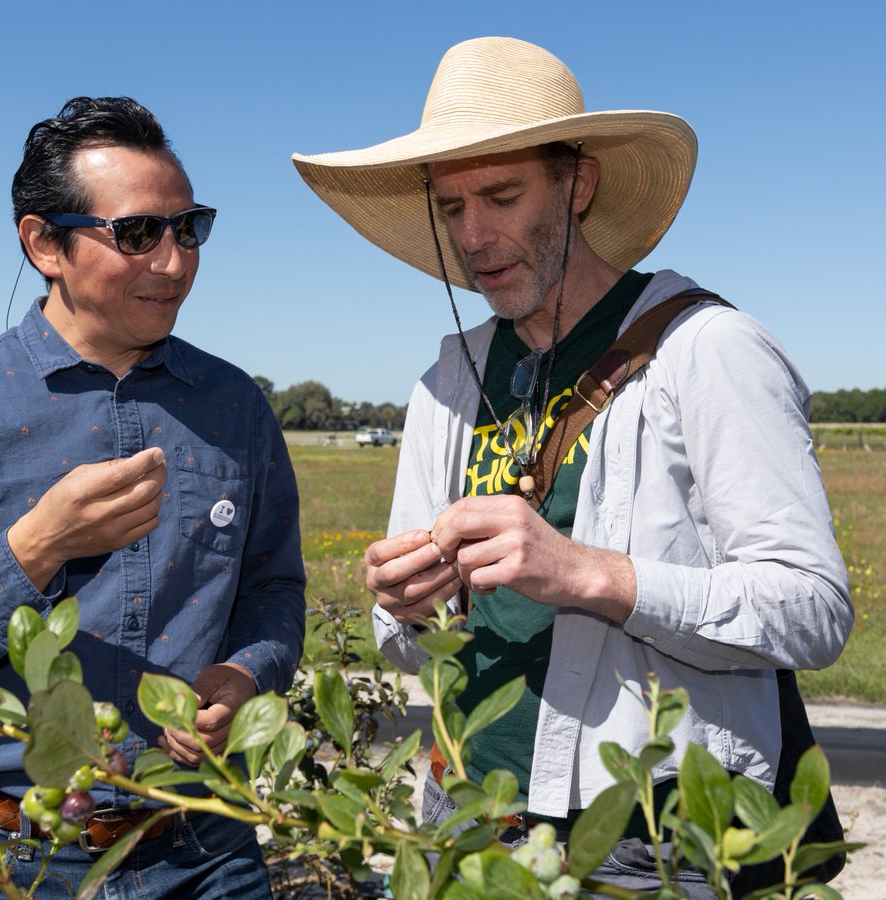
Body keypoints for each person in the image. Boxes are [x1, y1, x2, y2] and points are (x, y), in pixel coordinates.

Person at [292, 37, 851, 895]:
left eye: (502, 195)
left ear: (576, 184)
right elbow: (404, 645)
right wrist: (406, 603)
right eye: (450, 208)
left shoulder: (709, 351)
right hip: (465, 810)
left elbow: (812, 611)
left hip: (651, 828)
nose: (473, 237)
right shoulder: (448, 378)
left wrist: (588, 573)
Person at [0, 96, 305, 899]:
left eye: (188, 228)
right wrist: (35, 550)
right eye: (137, 234)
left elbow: (273, 591)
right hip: (17, 857)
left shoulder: (235, 406)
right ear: (44, 244)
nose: (174, 262)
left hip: (208, 845)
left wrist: (246, 673)